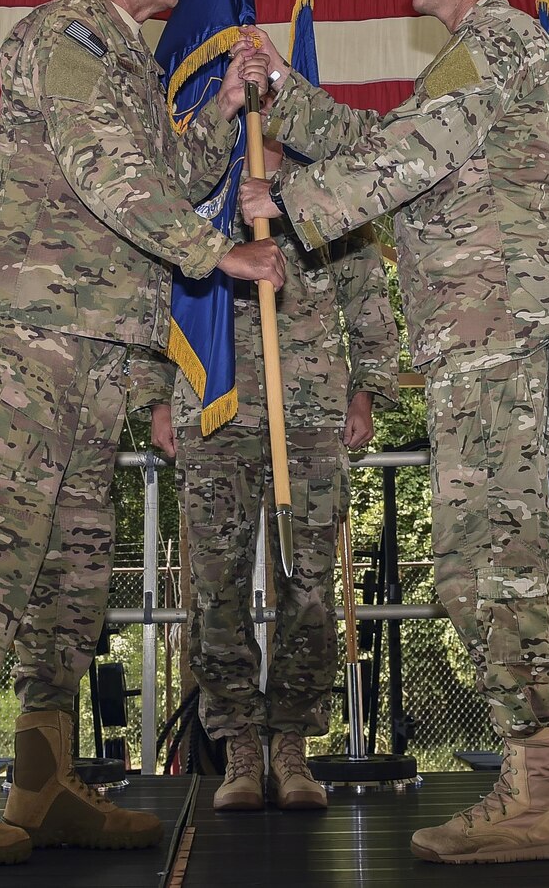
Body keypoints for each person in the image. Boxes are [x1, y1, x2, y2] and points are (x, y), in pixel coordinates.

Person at [0, 0, 285, 867]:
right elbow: (109, 172)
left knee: (70, 568)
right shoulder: (65, 34)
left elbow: (171, 169)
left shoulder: (130, 59)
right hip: (29, 342)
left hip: (96, 351)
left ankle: (40, 778)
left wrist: (225, 110)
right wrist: (213, 254)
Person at [237, 0, 549, 865]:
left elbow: (404, 156)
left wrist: (281, 205)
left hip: (494, 328)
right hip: (502, 326)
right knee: (528, 552)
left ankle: (533, 788)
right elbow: (391, 138)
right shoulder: (488, 56)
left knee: (476, 557)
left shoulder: (493, 42)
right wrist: (282, 95)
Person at [146, 150, 402, 813]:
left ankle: (291, 748)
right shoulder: (196, 189)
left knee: (310, 588)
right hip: (213, 409)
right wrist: (154, 398)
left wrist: (367, 391)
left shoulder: (329, 193)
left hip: (311, 413)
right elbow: (155, 293)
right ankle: (238, 748)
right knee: (214, 586)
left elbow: (366, 293)